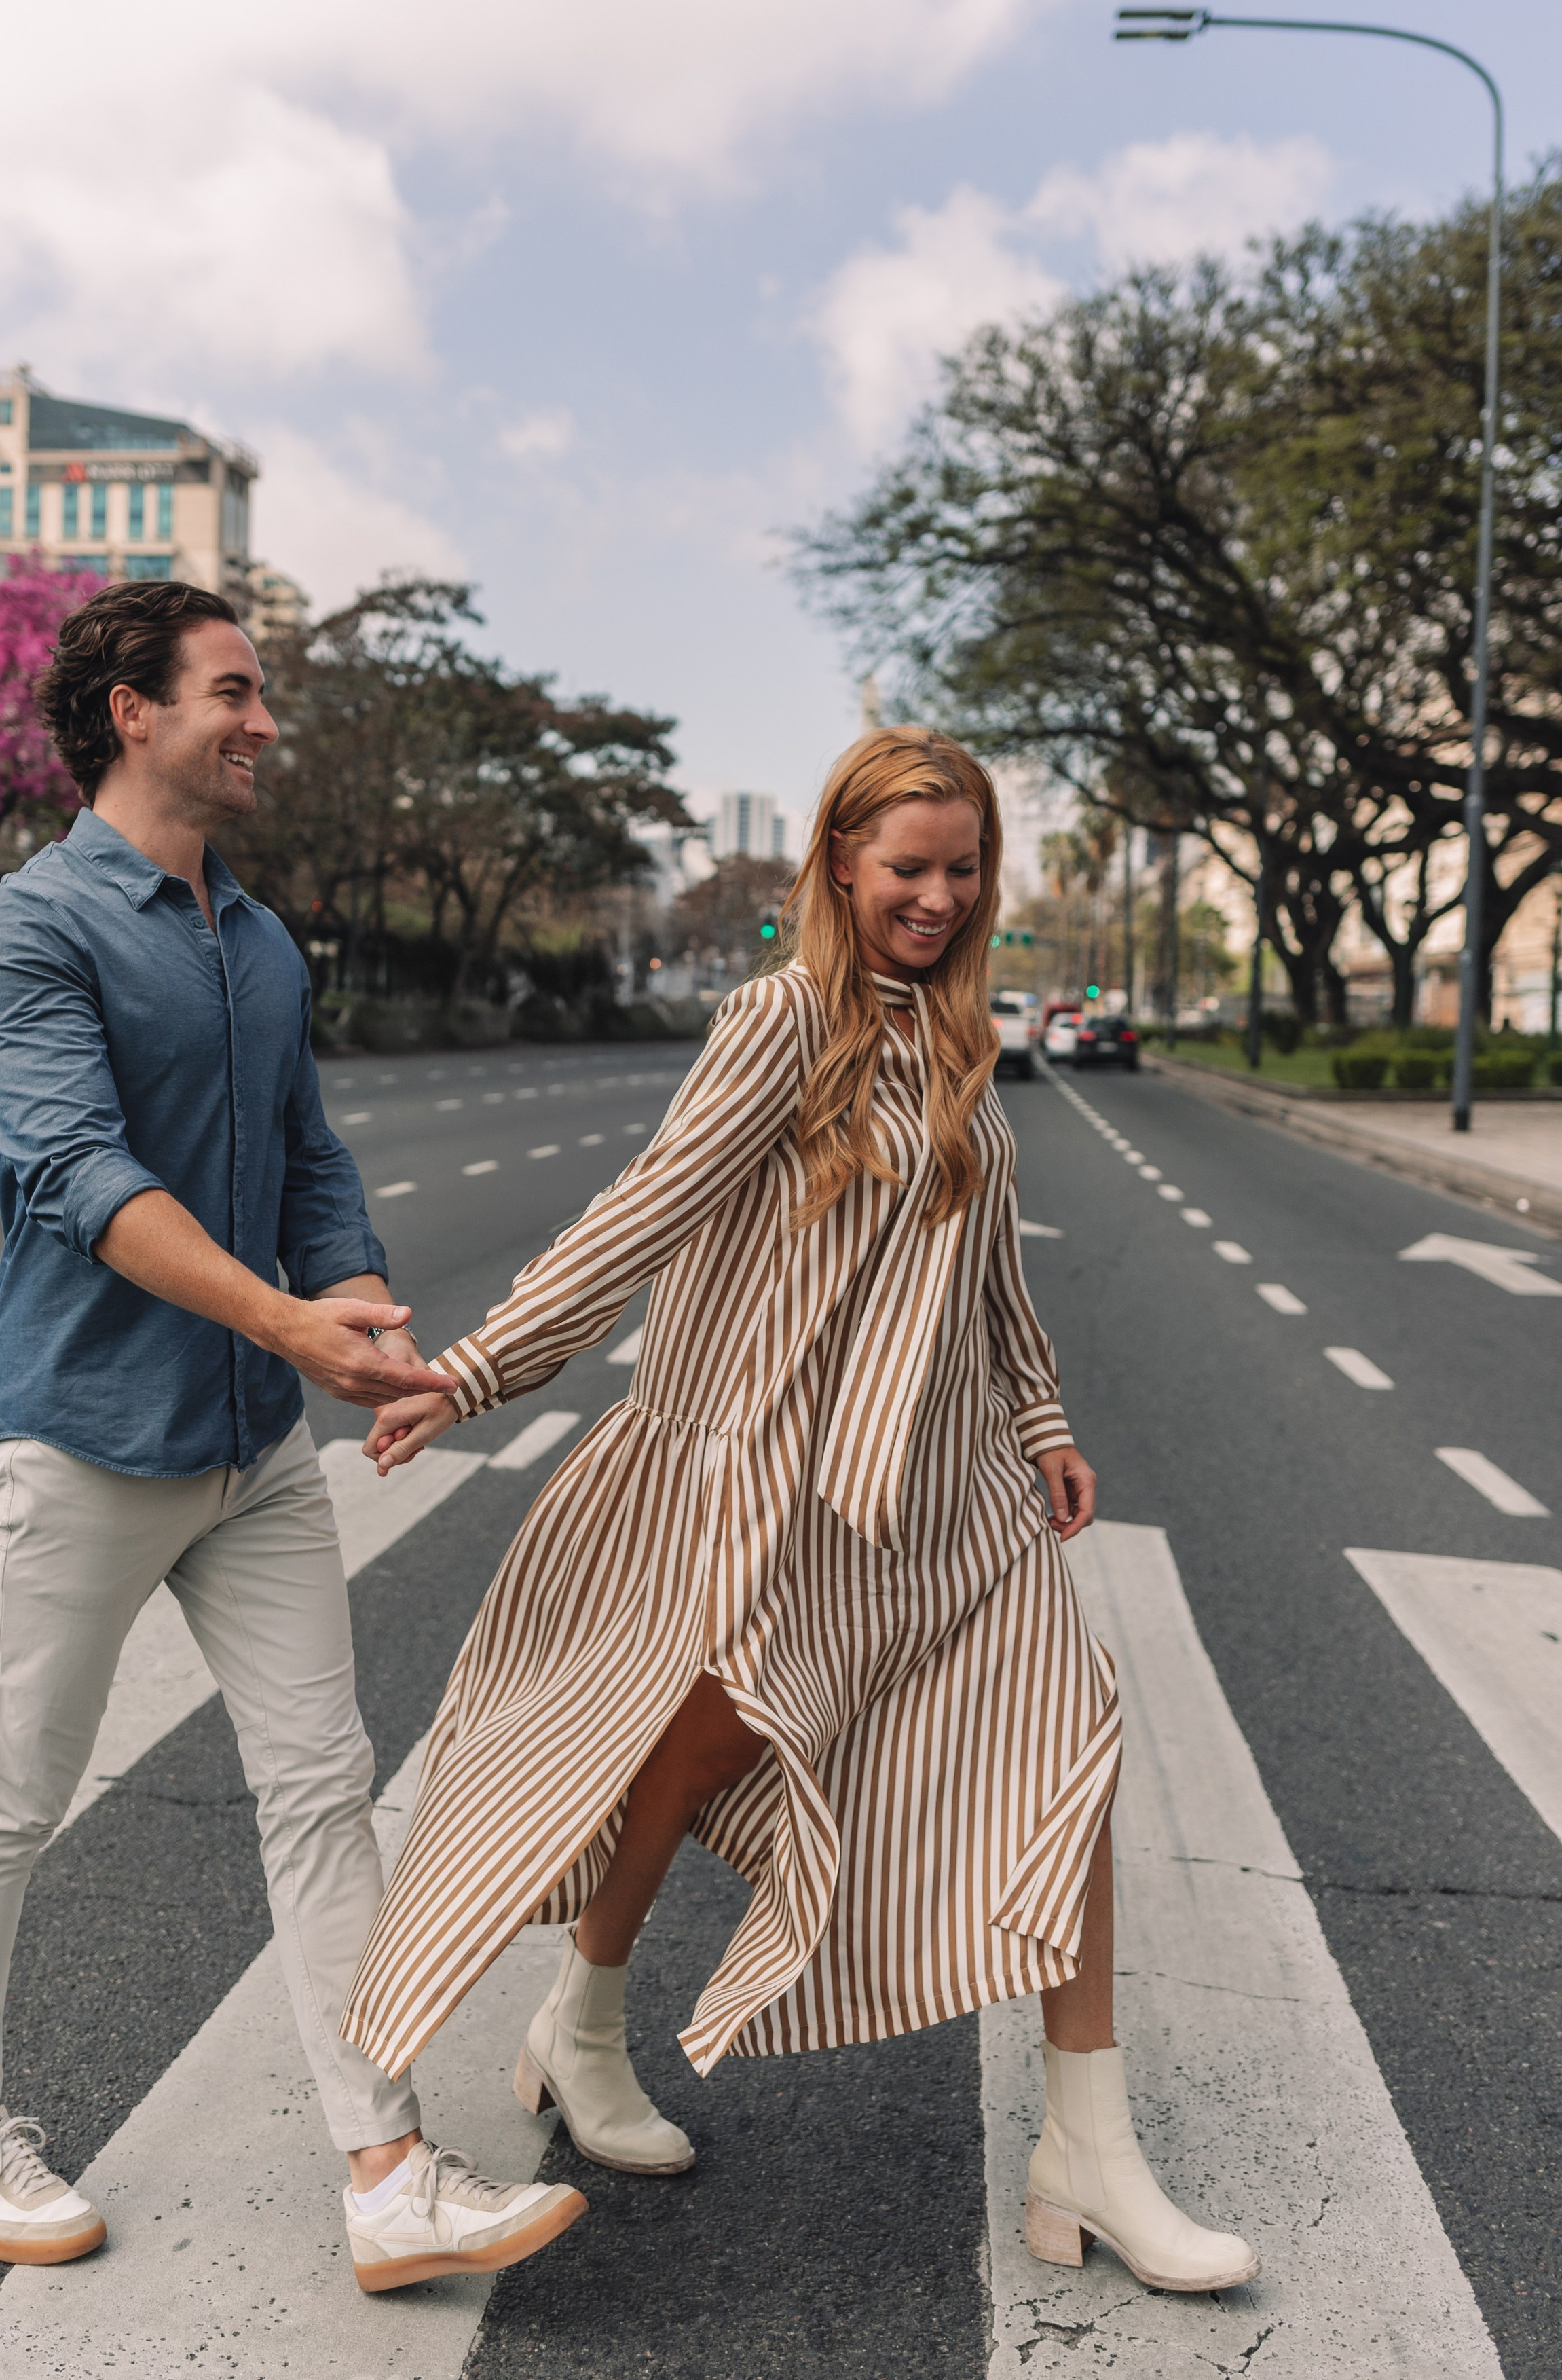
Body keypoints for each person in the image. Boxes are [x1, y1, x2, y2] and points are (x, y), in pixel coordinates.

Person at [343, 727, 1258, 2294]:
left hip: (945, 1490)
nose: (938, 895)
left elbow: (985, 1270)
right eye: (908, 867)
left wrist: (1038, 1417)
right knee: (690, 1746)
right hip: (773, 1481)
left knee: (1070, 1750)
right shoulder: (783, 1021)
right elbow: (642, 1207)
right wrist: (480, 1367)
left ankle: (1087, 2151)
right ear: (837, 864)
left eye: (962, 869)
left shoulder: (959, 1044)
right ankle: (579, 2026)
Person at [0, 581, 585, 2296]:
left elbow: (305, 1159)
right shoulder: (28, 926)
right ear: (131, 711)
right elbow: (76, 1182)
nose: (263, 720)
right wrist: (284, 1322)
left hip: (249, 1450)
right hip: (77, 1436)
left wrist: (365, 1315)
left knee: (320, 1786)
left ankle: (386, 2170)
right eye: (234, 690)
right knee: (14, 1790)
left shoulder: (262, 937)